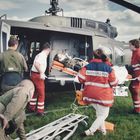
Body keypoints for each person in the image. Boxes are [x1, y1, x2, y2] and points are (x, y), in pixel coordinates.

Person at [78, 48, 118, 136]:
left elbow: (80, 78)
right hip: (103, 96)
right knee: (103, 115)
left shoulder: (87, 66)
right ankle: (90, 131)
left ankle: (103, 131)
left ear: (94, 55)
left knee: (99, 113)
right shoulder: (108, 68)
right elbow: (114, 83)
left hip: (89, 95)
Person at [29, 42, 51, 116]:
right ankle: (40, 111)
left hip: (33, 74)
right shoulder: (42, 55)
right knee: (42, 94)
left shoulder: (39, 54)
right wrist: (41, 72)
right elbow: (36, 64)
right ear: (48, 49)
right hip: (38, 75)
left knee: (35, 92)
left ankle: (31, 108)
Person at [128, 39, 140, 114]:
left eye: (130, 45)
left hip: (138, 77)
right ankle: (137, 108)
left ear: (133, 45)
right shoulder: (134, 52)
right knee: (132, 89)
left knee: (135, 90)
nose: (129, 46)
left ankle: (137, 110)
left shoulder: (138, 53)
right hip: (134, 76)